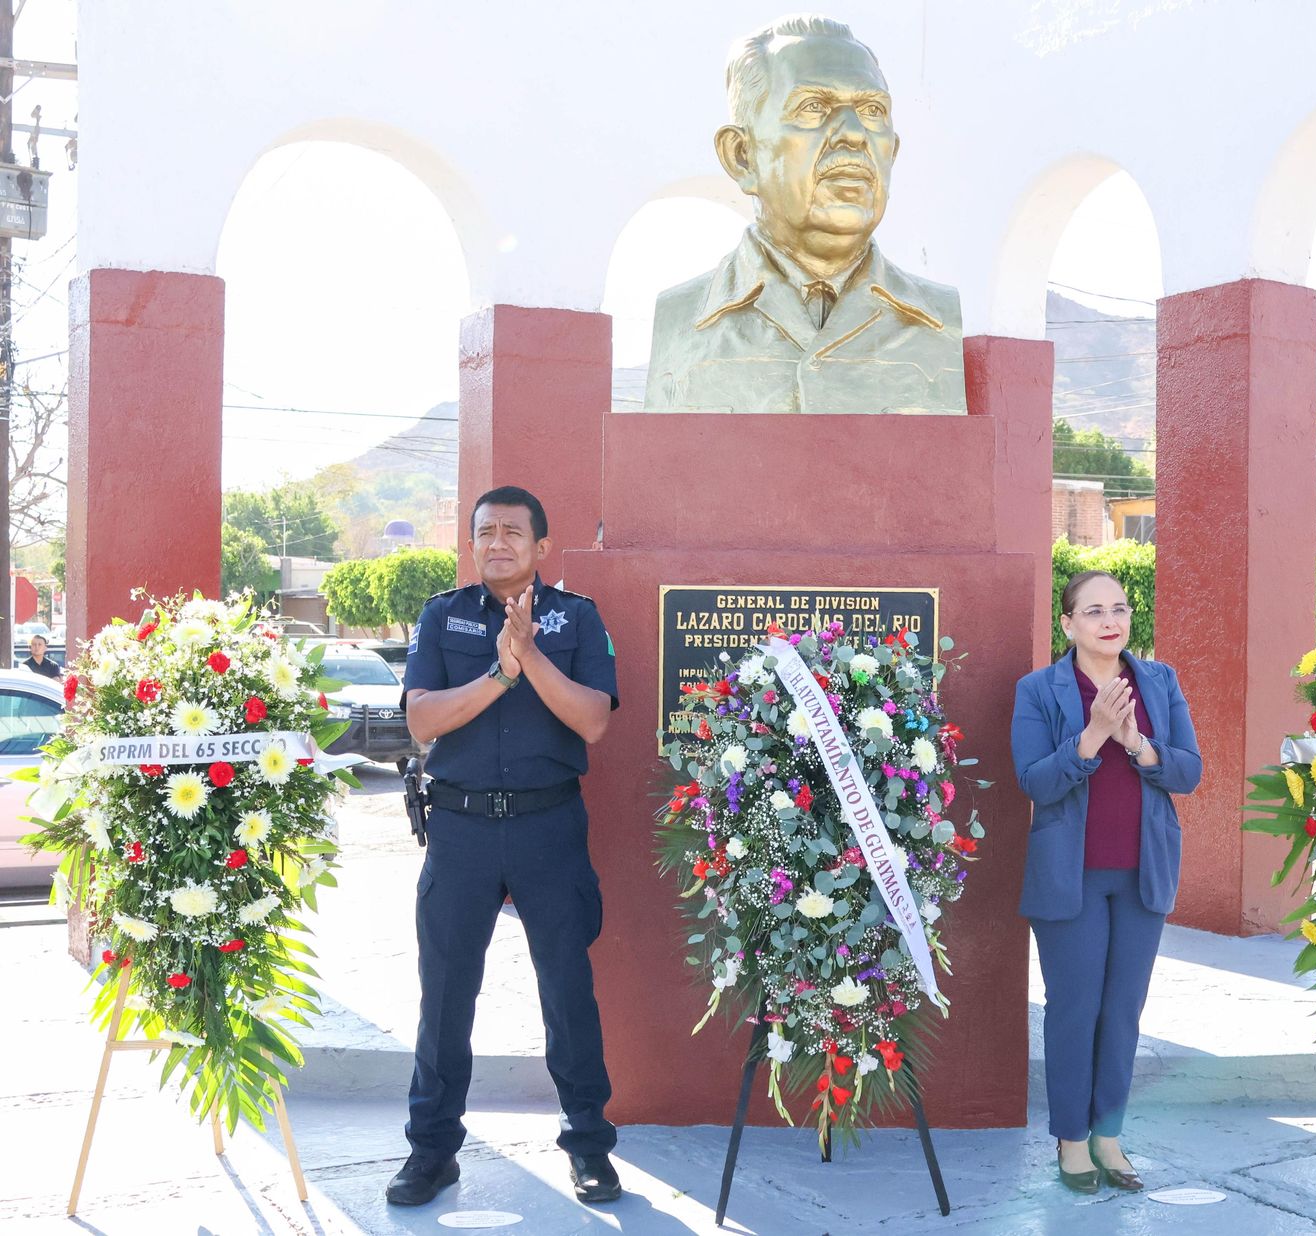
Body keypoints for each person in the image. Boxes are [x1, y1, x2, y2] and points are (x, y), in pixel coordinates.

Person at [385, 485, 623, 1208]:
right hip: (459, 830)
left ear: (540, 546)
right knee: (446, 995)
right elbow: (422, 720)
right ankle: (432, 1152)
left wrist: (529, 656)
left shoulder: (577, 617)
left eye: (512, 532)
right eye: (485, 531)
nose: (497, 543)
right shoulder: (442, 614)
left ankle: (589, 1148)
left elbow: (593, 721)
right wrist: (499, 673)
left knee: (567, 990)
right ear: (472, 543)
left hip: (548, 827)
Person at [643, 14, 966, 414]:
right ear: (742, 156)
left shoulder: (942, 320)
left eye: (872, 110)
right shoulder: (680, 320)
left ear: (893, 152)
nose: (854, 133)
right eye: (814, 107)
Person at [1010, 571, 1202, 1194]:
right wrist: (1093, 735)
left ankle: (1109, 1136)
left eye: (1118, 608)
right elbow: (1035, 782)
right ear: (1068, 624)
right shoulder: (1038, 690)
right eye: (1093, 611)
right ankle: (1072, 1139)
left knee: (1122, 1010)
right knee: (1075, 1008)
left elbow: (1188, 773)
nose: (1109, 620)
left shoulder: (1160, 681)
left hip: (1143, 872)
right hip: (1071, 877)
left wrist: (1136, 742)